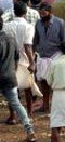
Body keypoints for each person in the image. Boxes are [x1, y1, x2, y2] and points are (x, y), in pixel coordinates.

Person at [0, 14, 37, 142]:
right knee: (16, 103)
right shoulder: (11, 40)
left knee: (15, 103)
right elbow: (15, 60)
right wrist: (12, 71)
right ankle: (29, 129)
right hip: (10, 76)